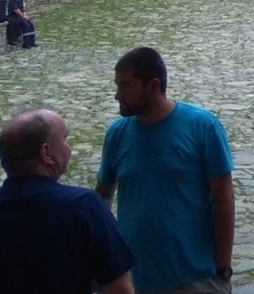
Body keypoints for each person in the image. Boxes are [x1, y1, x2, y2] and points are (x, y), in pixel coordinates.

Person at [0, 108, 135, 294]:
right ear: (46, 154)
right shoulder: (84, 208)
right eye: (65, 139)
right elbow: (121, 289)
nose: (69, 148)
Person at [95, 47, 234, 293]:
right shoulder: (117, 134)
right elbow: (102, 197)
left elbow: (223, 199)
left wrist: (222, 268)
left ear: (153, 85)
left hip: (195, 277)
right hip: (135, 279)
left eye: (126, 86)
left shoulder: (201, 126)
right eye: (117, 86)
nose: (118, 95)